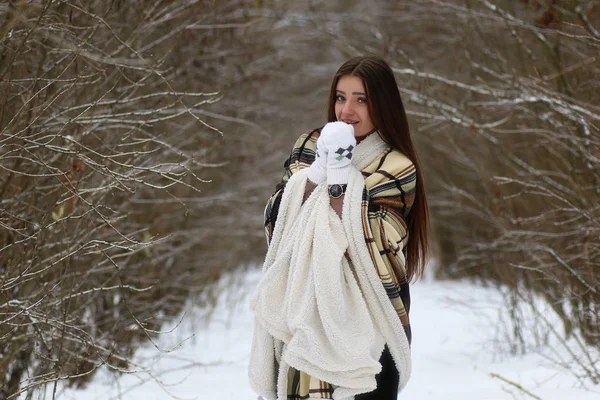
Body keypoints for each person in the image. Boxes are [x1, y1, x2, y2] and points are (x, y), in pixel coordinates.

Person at [249, 55, 429, 400]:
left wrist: (339, 178)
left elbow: (376, 241)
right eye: (341, 97)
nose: (347, 110)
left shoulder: (396, 165)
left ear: (383, 104)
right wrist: (317, 171)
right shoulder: (309, 147)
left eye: (362, 99)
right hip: (303, 310)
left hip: (369, 316)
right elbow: (277, 219)